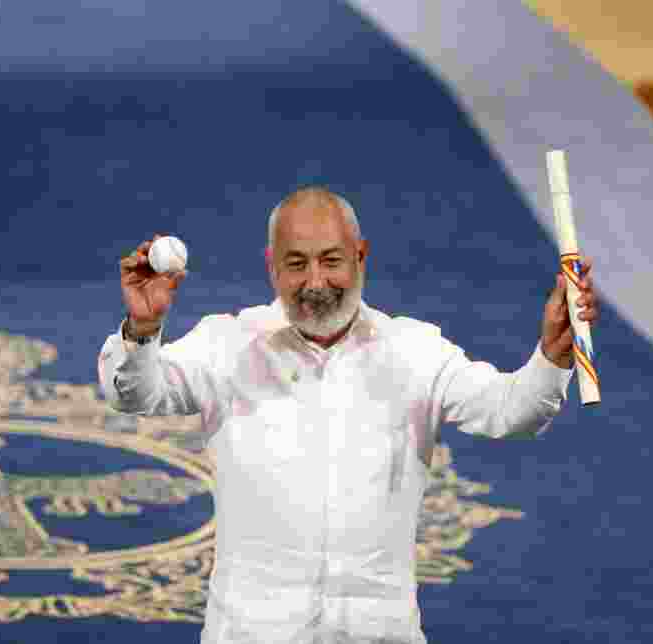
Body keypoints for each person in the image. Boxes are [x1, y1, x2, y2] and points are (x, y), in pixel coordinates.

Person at [97, 187, 599, 643]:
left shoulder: (415, 351)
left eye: (331, 260)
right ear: (272, 266)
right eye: (297, 264)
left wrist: (552, 356)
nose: (316, 282)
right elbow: (137, 395)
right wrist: (142, 330)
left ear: (361, 256)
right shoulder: (225, 346)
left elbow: (512, 412)